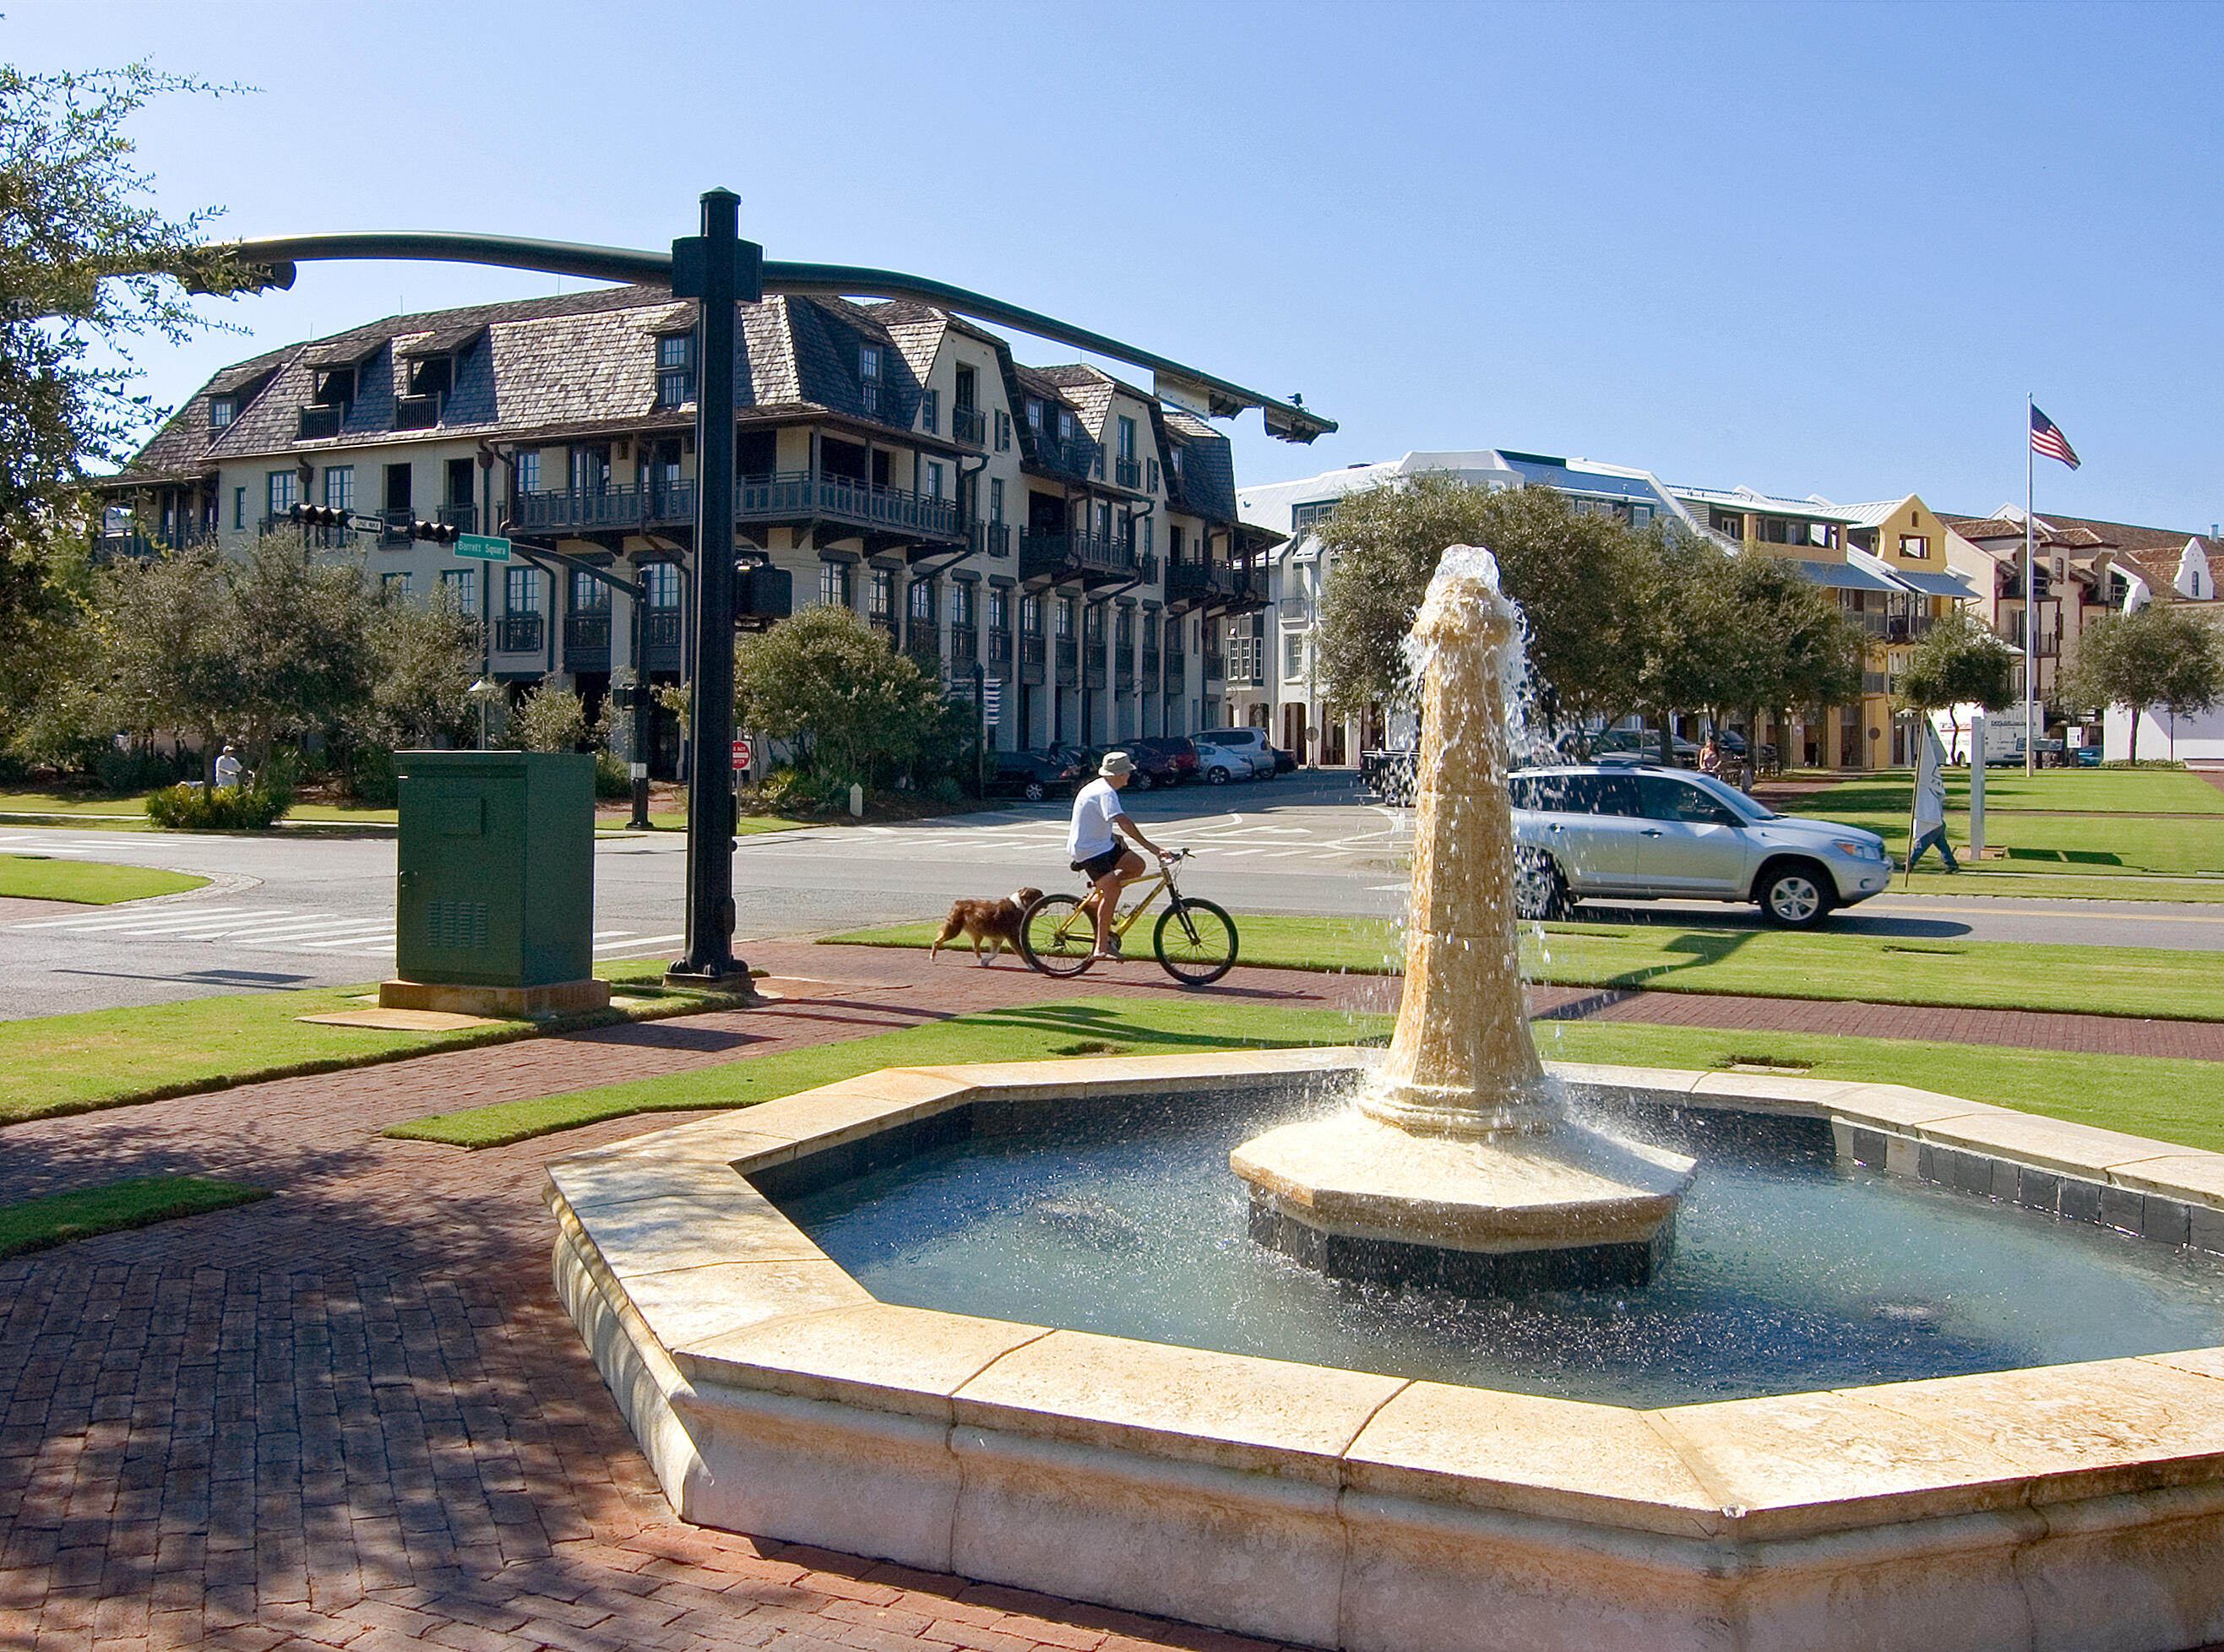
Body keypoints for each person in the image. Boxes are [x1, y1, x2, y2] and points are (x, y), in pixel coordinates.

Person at [1066, 751, 1173, 963]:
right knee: (1113, 888)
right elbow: (1123, 822)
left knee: (1136, 865)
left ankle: (1096, 901)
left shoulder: (1102, 788)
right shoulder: (1105, 792)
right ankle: (1101, 946)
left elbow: (1095, 821)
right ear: (1115, 774)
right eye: (1126, 773)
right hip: (1089, 850)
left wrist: (1114, 838)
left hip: (1102, 844)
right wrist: (1153, 848)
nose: (1128, 777)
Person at [1906, 722, 1960, 873]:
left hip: (1932, 819)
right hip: (1937, 820)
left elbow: (1930, 802)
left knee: (1923, 841)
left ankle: (1910, 862)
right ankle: (1951, 864)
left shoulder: (1927, 786)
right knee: (1941, 844)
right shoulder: (1929, 785)